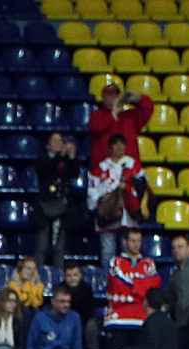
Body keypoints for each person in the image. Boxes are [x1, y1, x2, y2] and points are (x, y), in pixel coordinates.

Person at [89, 139, 148, 260]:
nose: (120, 147)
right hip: (107, 214)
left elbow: (143, 186)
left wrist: (128, 187)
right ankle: (107, 279)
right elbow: (92, 191)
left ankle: (130, 277)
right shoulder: (101, 167)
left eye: (122, 144)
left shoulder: (133, 164)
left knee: (129, 250)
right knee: (107, 251)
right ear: (111, 147)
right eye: (117, 144)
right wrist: (108, 189)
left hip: (129, 214)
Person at [103, 226, 159, 345]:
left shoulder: (149, 263)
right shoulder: (115, 262)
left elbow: (154, 285)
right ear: (125, 242)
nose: (136, 244)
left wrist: (132, 288)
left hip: (142, 317)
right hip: (119, 317)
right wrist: (141, 284)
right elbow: (117, 284)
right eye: (132, 241)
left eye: (138, 241)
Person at [34, 130, 82, 266]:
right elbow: (45, 170)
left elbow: (75, 173)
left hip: (62, 207)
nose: (58, 144)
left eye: (60, 141)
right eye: (54, 141)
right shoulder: (42, 159)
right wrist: (58, 156)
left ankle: (58, 277)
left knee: (59, 248)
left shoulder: (65, 160)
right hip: (44, 207)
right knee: (41, 247)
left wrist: (72, 157)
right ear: (48, 145)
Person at [87, 79, 153, 166]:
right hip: (105, 171)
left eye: (115, 94)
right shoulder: (97, 115)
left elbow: (148, 108)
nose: (112, 97)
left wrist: (138, 98)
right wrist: (113, 113)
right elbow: (96, 128)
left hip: (128, 170)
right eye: (109, 94)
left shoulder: (130, 116)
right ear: (103, 97)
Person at [23, 285, 77, 349]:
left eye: (68, 302)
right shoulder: (39, 318)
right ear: (53, 301)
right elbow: (30, 348)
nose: (66, 305)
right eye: (62, 301)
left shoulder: (74, 317)